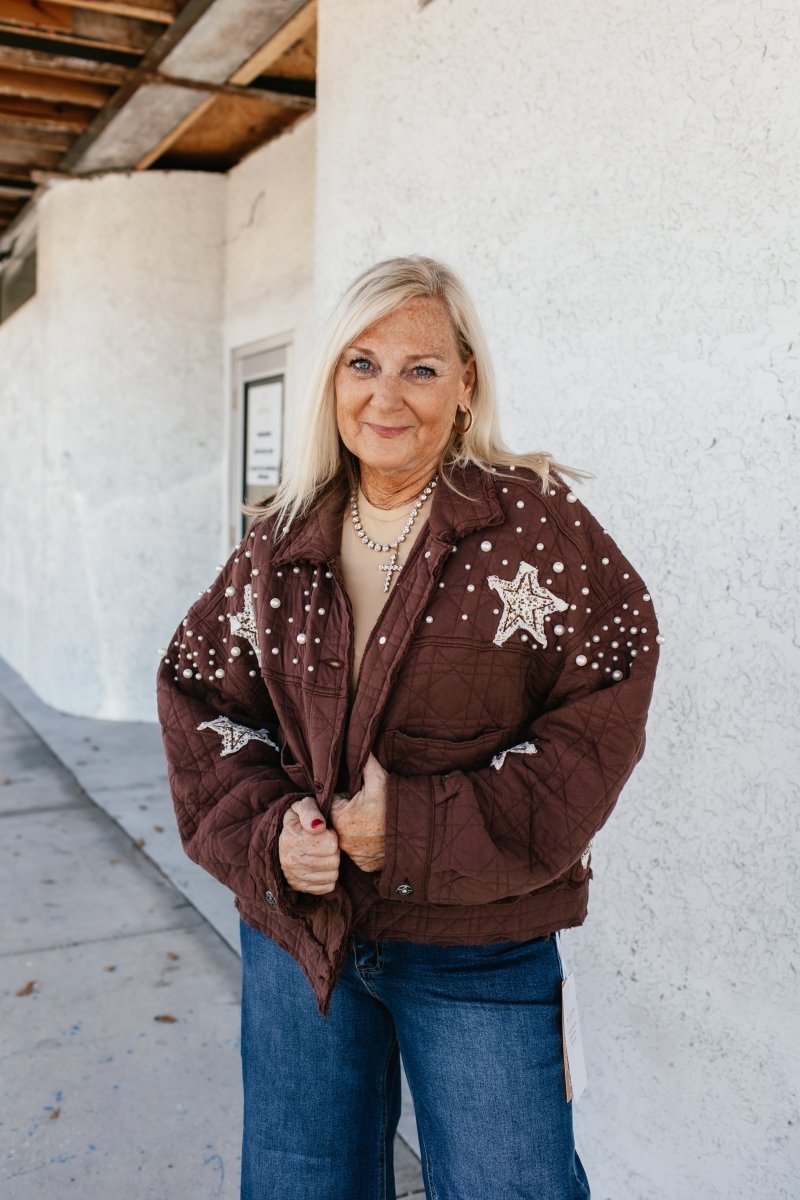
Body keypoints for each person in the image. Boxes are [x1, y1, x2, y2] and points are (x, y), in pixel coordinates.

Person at [156, 255, 661, 1200]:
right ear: (331, 380)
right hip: (302, 938)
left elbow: (609, 692)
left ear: (466, 381)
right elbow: (201, 696)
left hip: (480, 942)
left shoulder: (536, 525)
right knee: (305, 1184)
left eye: (421, 368)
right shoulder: (280, 535)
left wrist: (415, 828)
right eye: (362, 363)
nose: (387, 395)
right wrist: (275, 835)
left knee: (510, 1185)